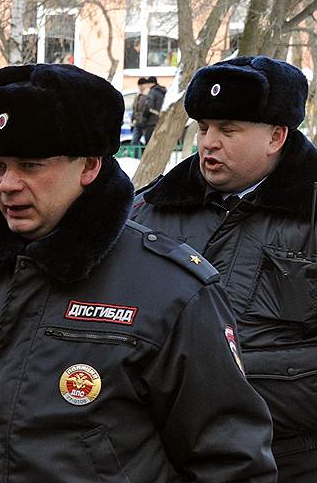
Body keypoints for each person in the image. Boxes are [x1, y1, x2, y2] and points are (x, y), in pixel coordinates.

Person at [0, 63, 277, 482]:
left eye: (30, 165)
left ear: (89, 166)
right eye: (0, 165)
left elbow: (231, 461)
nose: (6, 185)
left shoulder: (170, 291)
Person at [131, 56, 317, 480]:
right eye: (203, 128)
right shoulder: (147, 212)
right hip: (162, 458)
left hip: (290, 462)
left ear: (276, 137)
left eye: (228, 131)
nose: (208, 143)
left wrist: (229, 384)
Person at [130, 76, 152, 146]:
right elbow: (135, 109)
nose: (140, 87)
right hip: (137, 123)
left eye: (141, 85)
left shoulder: (150, 94)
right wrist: (132, 119)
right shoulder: (138, 95)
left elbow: (149, 109)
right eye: (139, 85)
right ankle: (136, 157)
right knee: (134, 142)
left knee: (147, 142)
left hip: (146, 123)